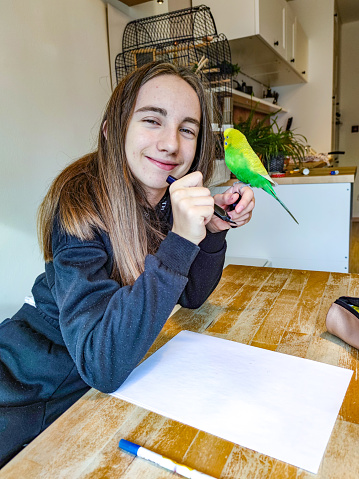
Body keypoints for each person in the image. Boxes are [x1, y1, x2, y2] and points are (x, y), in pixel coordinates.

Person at [0, 61, 255, 467]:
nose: (171, 144)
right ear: (112, 130)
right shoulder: (79, 206)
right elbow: (102, 362)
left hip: (94, 385)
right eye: (153, 120)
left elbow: (190, 296)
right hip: (28, 384)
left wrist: (212, 231)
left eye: (187, 129)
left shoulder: (163, 200)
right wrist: (181, 240)